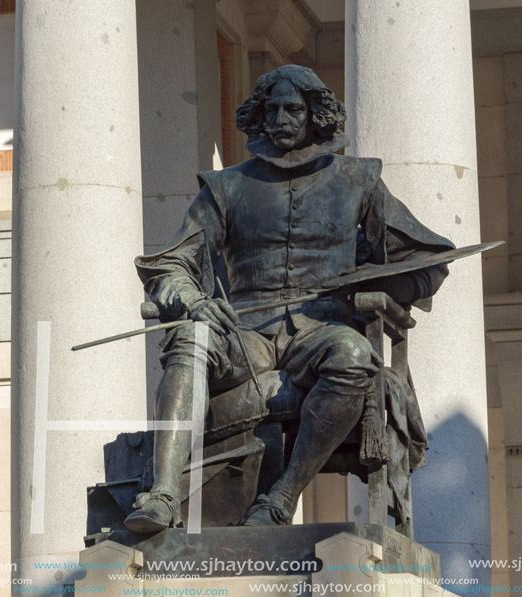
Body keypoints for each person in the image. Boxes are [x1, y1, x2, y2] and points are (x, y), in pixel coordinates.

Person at [124, 65, 453, 532]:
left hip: (321, 333)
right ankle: (162, 495)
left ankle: (279, 499)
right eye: (271, 109)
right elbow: (169, 264)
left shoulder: (358, 180)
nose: (280, 118)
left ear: (314, 115)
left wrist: (367, 284)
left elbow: (425, 259)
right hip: (244, 336)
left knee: (355, 356)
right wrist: (192, 300)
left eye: (292, 109)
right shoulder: (226, 187)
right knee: (189, 340)